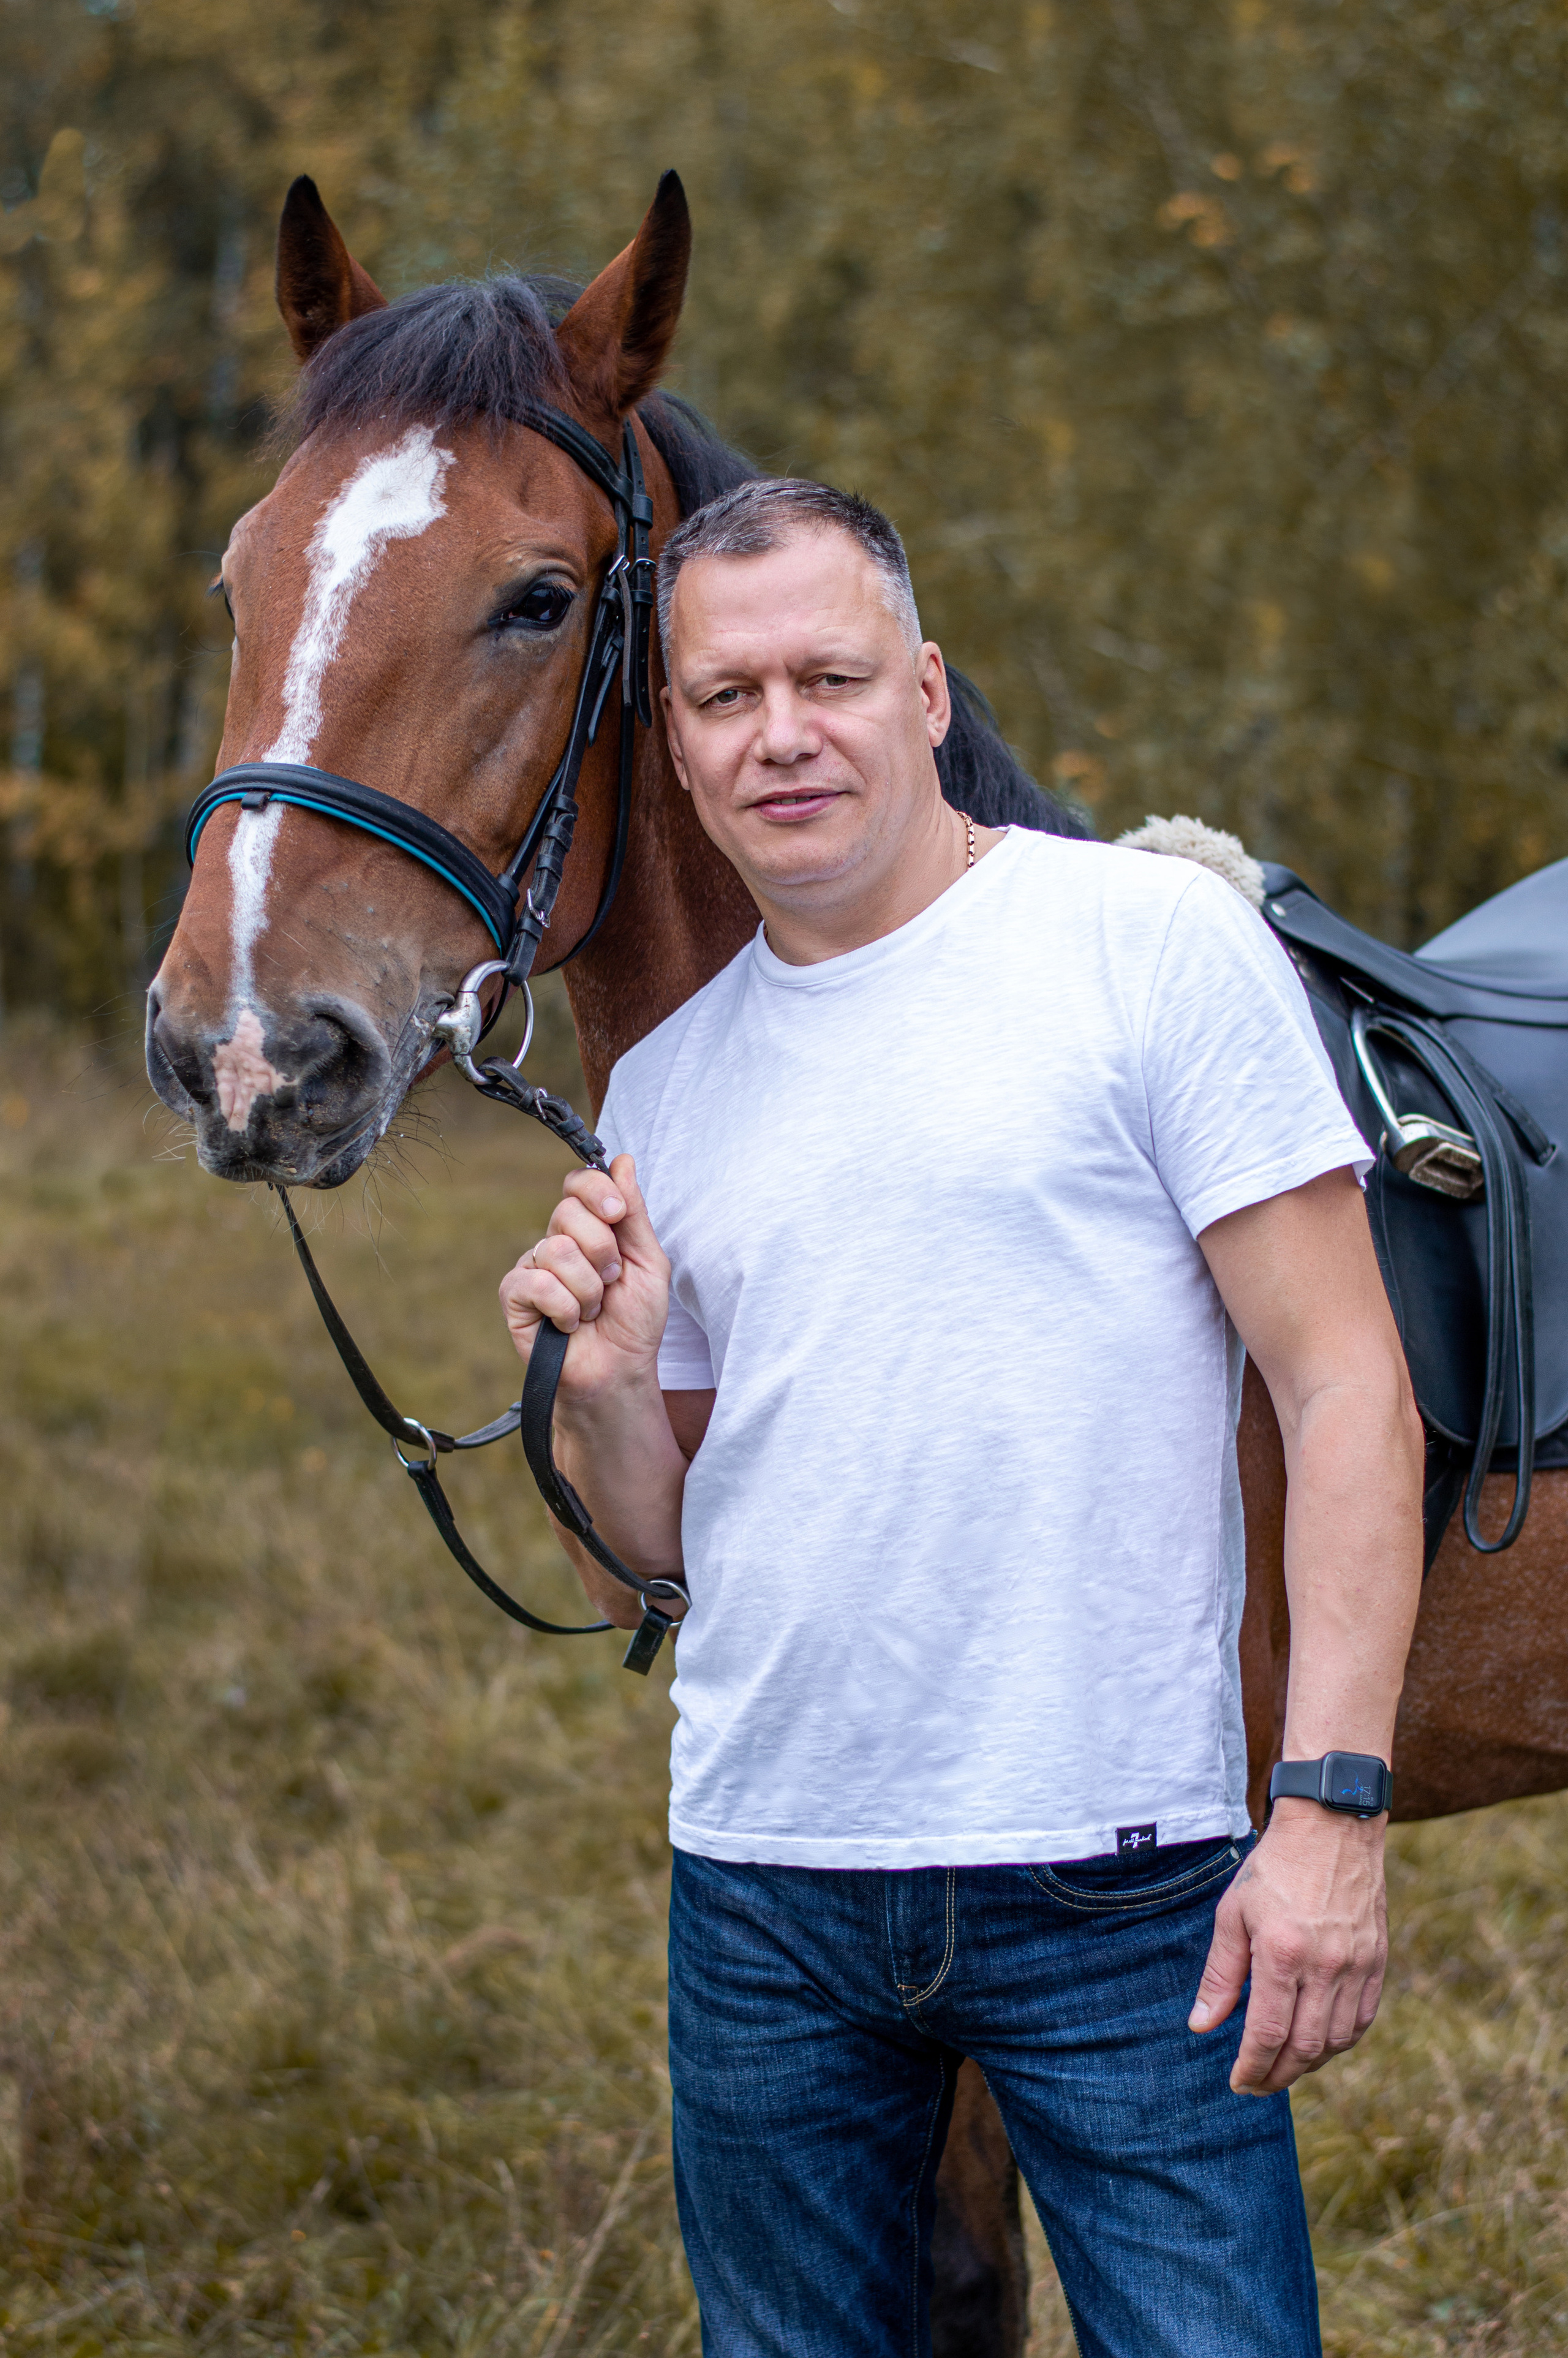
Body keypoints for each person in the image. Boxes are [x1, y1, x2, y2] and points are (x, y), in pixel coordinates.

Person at [497, 477, 1424, 2358]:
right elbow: (662, 1556)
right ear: (671, 745)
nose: (782, 735)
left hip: (1124, 1884)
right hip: (765, 1892)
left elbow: (1349, 1387)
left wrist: (1330, 1806)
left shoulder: (1146, 947)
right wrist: (597, 1390)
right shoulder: (663, 1086)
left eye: (826, 677)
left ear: (924, 690)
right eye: (726, 697)